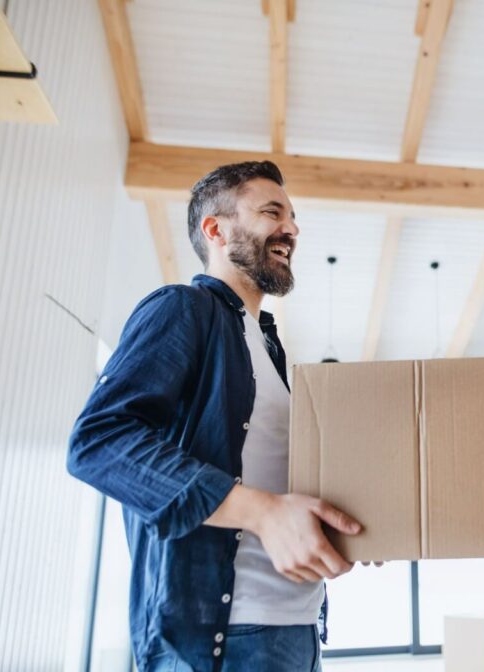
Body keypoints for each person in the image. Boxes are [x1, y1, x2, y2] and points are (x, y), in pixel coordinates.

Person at [69, 160, 362, 671]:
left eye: (293, 217)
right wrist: (263, 513)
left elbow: (270, 476)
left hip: (298, 628)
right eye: (273, 212)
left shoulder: (268, 348)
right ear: (216, 230)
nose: (291, 228)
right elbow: (98, 443)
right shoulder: (182, 309)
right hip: (221, 642)